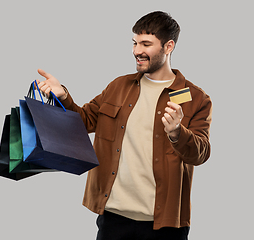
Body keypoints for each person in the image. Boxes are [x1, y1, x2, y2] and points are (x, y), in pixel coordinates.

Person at [36, 11, 212, 240]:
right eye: (135, 43)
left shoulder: (196, 98)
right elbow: (85, 121)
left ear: (168, 47)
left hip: (165, 225)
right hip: (113, 218)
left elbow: (201, 154)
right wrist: (63, 97)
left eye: (146, 44)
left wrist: (177, 133)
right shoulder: (118, 86)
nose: (137, 51)